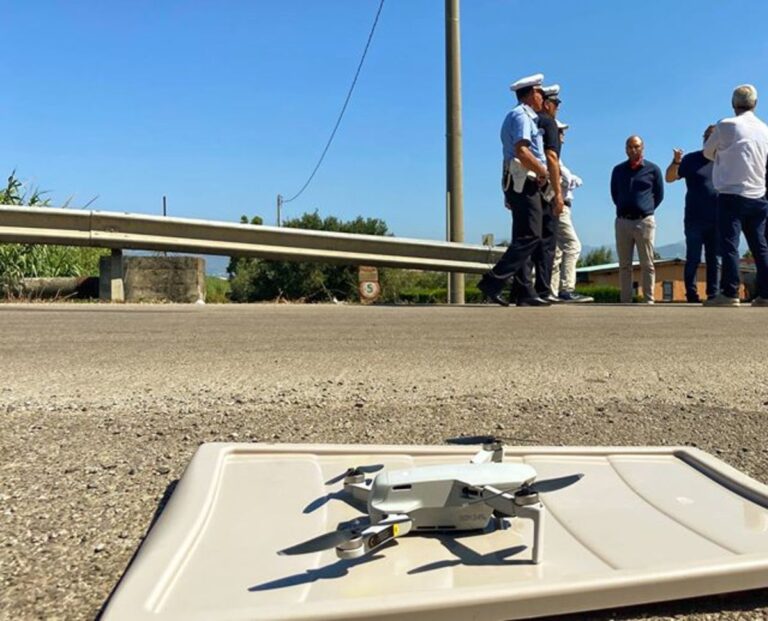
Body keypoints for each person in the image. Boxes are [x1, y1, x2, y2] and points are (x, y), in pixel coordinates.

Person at [477, 73, 552, 307]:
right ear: (531, 94)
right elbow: (522, 151)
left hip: (519, 180)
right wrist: (542, 171)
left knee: (523, 236)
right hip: (523, 181)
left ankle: (524, 291)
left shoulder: (524, 116)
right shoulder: (521, 116)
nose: (544, 98)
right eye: (541, 93)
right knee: (531, 235)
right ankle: (493, 281)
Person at [703, 84, 768, 307]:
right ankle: (766, 294)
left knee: (730, 245)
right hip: (758, 194)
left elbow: (707, 152)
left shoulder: (726, 125)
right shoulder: (764, 129)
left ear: (733, 104)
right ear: (755, 104)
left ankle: (730, 292)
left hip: (731, 194)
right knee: (760, 246)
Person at [665, 126, 719, 303]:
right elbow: (670, 178)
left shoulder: (724, 160)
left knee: (714, 259)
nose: (708, 139)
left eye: (712, 136)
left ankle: (713, 293)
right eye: (706, 136)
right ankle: (692, 294)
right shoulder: (691, 159)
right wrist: (676, 162)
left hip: (718, 218)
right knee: (693, 258)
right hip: (694, 219)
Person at [610, 136, 664, 303]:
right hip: (623, 222)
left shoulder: (653, 169)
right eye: (630, 147)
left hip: (644, 222)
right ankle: (625, 300)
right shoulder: (618, 170)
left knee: (647, 263)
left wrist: (646, 209)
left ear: (642, 148)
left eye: (636, 146)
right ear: (626, 149)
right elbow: (614, 194)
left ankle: (649, 299)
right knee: (624, 265)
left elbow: (659, 195)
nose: (633, 150)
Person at [551, 121, 593, 303]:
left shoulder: (555, 155)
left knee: (557, 251)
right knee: (573, 245)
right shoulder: (552, 154)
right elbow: (566, 178)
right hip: (559, 204)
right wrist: (572, 179)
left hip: (557, 204)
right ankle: (566, 289)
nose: (563, 137)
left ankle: (551, 291)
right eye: (560, 132)